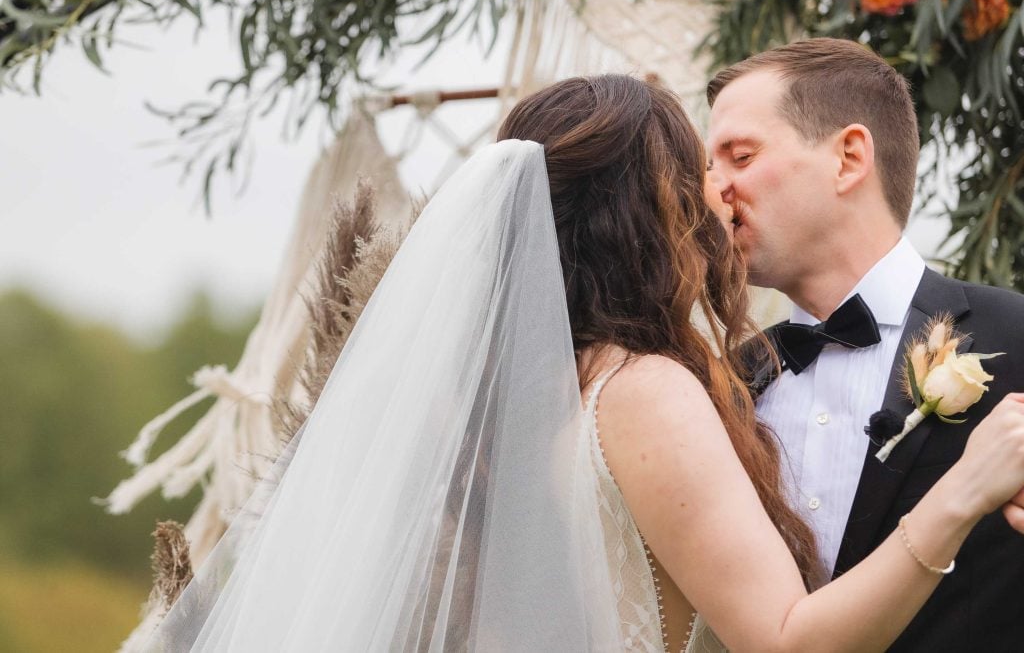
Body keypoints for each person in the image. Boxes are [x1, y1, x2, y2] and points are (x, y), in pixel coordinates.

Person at [146, 74, 1024, 652]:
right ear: (648, 207)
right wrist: (963, 488)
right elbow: (789, 638)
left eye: (738, 159)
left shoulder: (517, 399)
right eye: (697, 167)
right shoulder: (643, 392)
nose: (716, 195)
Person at [706, 37, 1024, 651]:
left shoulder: (1016, 338)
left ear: (849, 157)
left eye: (739, 157)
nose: (714, 190)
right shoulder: (724, 384)